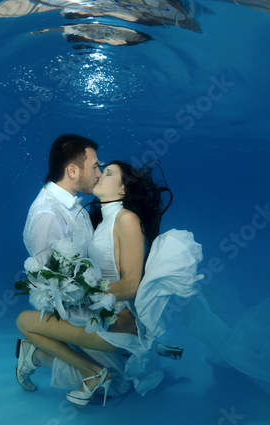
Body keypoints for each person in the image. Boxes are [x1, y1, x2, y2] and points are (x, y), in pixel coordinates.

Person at [16, 155, 203, 406]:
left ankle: (78, 367)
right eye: (100, 170)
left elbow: (131, 284)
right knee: (117, 385)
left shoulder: (125, 218)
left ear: (122, 189)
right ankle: (136, 354)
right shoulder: (103, 222)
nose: (99, 174)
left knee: (23, 322)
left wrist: (78, 293)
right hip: (99, 315)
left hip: (112, 322)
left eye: (109, 173)